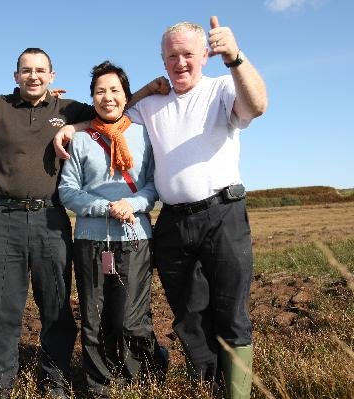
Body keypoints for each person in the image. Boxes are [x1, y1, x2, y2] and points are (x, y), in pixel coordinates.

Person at [0, 48, 170, 398]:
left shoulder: (67, 109)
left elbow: (113, 109)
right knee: (3, 306)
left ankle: (56, 380)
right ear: (15, 75)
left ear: (52, 76)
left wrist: (147, 89)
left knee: (55, 305)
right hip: (4, 219)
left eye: (40, 70)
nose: (33, 76)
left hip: (49, 220)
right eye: (26, 70)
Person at [54, 17, 267, 399]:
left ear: (205, 54)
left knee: (231, 311)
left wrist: (235, 57)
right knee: (188, 313)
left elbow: (258, 105)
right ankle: (208, 386)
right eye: (172, 55)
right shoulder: (151, 105)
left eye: (188, 54)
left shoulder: (222, 87)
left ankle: (238, 393)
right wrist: (75, 126)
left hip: (223, 214)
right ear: (162, 60)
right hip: (172, 223)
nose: (180, 62)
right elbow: (114, 115)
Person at [58, 61, 168, 398]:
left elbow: (153, 187)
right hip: (91, 240)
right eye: (100, 91)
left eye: (114, 90)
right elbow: (68, 190)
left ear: (125, 95)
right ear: (92, 97)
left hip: (135, 238)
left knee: (130, 319)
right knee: (93, 318)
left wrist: (132, 204)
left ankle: (144, 374)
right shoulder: (80, 139)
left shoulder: (143, 135)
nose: (108, 97)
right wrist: (104, 207)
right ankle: (100, 386)